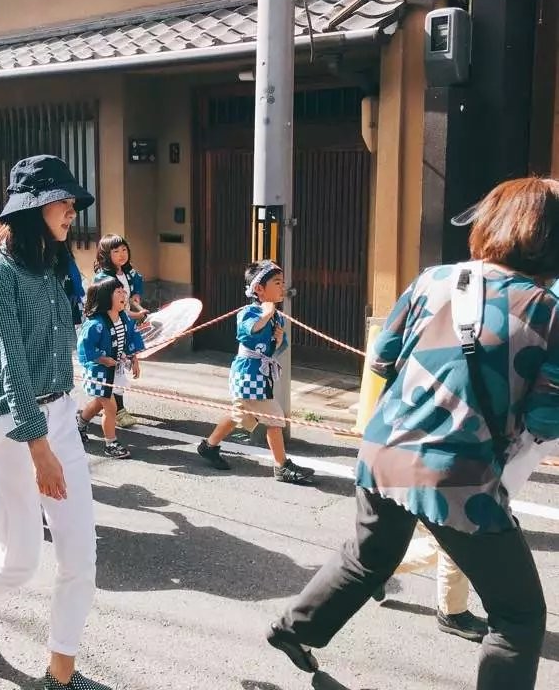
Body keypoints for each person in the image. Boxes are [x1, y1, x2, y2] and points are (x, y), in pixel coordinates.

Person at [266, 177, 559, 689]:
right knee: (518, 616)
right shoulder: (548, 310)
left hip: (383, 448)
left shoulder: (434, 280)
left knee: (368, 556)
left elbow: (382, 358)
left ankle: (293, 628)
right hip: (458, 473)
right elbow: (545, 420)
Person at [0, 155, 108, 690]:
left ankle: (62, 674)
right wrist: (40, 449)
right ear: (34, 207)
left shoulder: (56, 263)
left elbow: (67, 334)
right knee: (20, 559)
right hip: (8, 424)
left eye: (73, 204)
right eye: (63, 202)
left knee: (80, 556)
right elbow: (11, 361)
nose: (72, 213)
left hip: (58, 414)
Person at [195, 260, 315, 484]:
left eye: (283, 283)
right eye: (277, 283)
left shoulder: (276, 316)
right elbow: (247, 332)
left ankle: (209, 446)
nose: (282, 287)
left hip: (260, 374)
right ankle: (282, 466)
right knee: (275, 417)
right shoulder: (249, 312)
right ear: (259, 289)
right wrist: (266, 314)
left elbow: (278, 347)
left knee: (238, 415)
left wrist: (279, 340)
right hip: (248, 373)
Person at [76, 276, 143, 459]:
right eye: (118, 292)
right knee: (110, 406)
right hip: (98, 371)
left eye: (123, 291)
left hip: (114, 371)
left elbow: (131, 339)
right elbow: (84, 348)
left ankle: (79, 424)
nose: (123, 294)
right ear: (106, 297)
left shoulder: (124, 319)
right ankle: (110, 443)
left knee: (100, 403)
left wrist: (134, 359)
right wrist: (102, 358)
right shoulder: (95, 324)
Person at [92, 234, 145, 426]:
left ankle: (96, 413)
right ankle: (118, 411)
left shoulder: (127, 274)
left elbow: (133, 295)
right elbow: (112, 308)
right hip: (108, 327)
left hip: (123, 323)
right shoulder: (104, 279)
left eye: (124, 249)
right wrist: (136, 315)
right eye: (116, 251)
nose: (122, 254)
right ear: (106, 255)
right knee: (113, 369)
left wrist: (136, 303)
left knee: (119, 367)